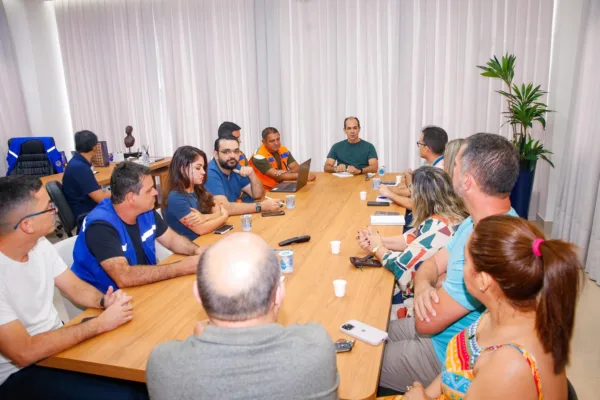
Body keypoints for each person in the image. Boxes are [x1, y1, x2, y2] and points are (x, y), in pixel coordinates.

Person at [379, 133, 520, 392]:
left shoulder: (493, 246)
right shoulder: (473, 222)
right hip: (446, 336)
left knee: (356, 365)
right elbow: (431, 264)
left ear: (466, 181)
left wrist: (434, 281)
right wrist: (424, 286)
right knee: (370, 332)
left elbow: (426, 323)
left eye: (454, 164)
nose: (448, 168)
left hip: (443, 354)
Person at [0, 176, 147, 399]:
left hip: (57, 348)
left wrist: (104, 301)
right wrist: (98, 324)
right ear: (26, 224)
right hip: (19, 373)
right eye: (48, 207)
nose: (56, 209)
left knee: (142, 370)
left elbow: (76, 288)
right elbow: (24, 352)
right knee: (124, 393)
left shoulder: (39, 245)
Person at [403, 216, 579, 400]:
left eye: (464, 260)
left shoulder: (509, 366)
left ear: (483, 281)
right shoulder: (502, 308)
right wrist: (428, 394)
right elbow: (458, 365)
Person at [146, 232, 340, 399]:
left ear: (197, 293)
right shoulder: (317, 347)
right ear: (279, 293)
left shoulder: (163, 363)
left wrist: (202, 334)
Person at [71, 162, 204, 294]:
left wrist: (197, 251)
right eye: (149, 190)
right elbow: (124, 277)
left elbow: (171, 239)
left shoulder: (144, 210)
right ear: (131, 198)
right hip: (105, 299)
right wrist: (181, 267)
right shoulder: (100, 227)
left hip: (141, 286)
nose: (155, 192)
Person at [357, 166, 468, 315]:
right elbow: (413, 240)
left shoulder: (438, 226)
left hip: (426, 304)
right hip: (439, 294)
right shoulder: (448, 216)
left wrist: (377, 249)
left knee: (370, 303)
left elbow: (402, 267)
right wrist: (376, 240)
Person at [204, 134, 281, 215]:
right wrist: (260, 206)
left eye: (236, 151)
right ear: (216, 154)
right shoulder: (210, 173)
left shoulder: (236, 167)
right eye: (226, 151)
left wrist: (252, 175)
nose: (232, 156)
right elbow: (224, 208)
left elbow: (259, 195)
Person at [163, 146, 229, 241]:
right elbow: (201, 229)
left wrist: (205, 217)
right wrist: (224, 217)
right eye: (198, 168)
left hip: (208, 239)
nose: (203, 172)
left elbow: (218, 210)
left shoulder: (199, 188)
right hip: (191, 247)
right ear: (182, 169)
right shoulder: (175, 197)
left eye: (203, 167)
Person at [378, 126, 449, 211]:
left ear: (427, 148)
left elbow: (417, 205)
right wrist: (391, 190)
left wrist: (391, 194)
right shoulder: (430, 164)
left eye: (420, 143)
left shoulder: (437, 172)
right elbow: (414, 188)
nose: (419, 147)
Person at [62, 130, 111, 221]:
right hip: (87, 213)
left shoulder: (76, 162)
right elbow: (100, 198)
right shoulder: (80, 168)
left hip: (84, 207)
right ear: (95, 147)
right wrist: (120, 195)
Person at [250, 127, 316, 190]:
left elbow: (296, 167)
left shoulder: (282, 149)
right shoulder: (258, 156)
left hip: (282, 185)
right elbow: (278, 177)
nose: (276, 143)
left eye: (278, 139)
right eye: (272, 141)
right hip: (265, 190)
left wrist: (287, 172)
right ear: (264, 142)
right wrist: (303, 176)